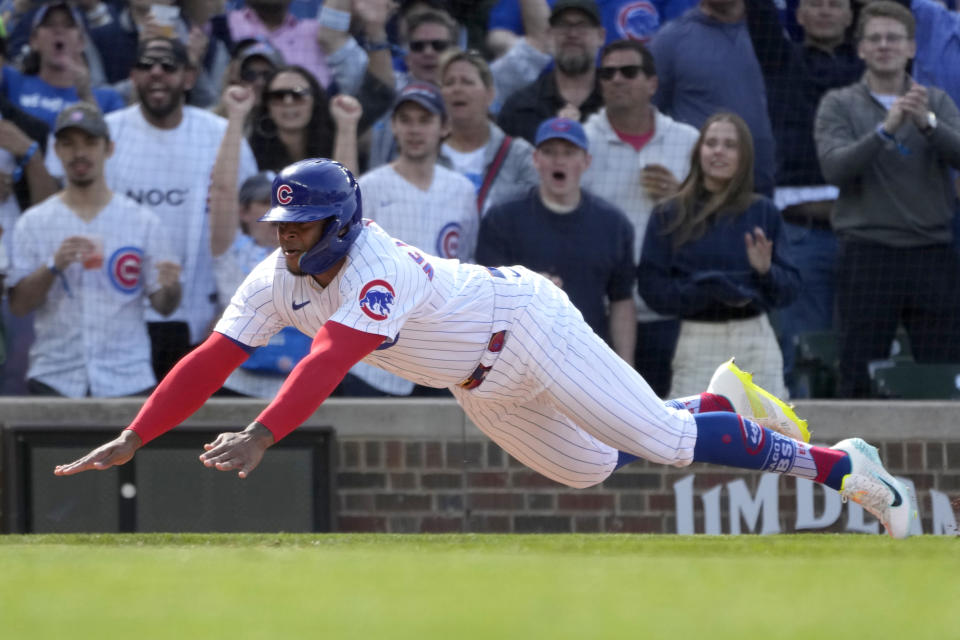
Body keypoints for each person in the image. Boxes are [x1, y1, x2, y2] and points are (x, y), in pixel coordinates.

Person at [52, 157, 917, 540]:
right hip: (477, 383)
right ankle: (719, 403)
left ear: (343, 221)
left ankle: (842, 466)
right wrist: (137, 436)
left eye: (304, 222)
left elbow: (326, 361)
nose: (289, 237)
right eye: (283, 223)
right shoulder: (274, 275)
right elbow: (211, 359)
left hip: (526, 326)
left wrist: (263, 435)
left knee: (669, 446)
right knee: (589, 469)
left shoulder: (373, 266)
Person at [46, 36, 259, 382]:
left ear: (189, 77)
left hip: (200, 313)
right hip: (117, 319)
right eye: (146, 65)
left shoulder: (220, 134)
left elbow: (243, 226)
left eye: (168, 65)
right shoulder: (108, 134)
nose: (156, 73)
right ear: (132, 76)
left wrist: (227, 305)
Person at [814, 1, 960, 398]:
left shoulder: (937, 102)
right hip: (868, 253)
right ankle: (853, 461)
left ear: (911, 47)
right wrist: (885, 130)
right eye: (874, 38)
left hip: (931, 252)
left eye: (893, 38)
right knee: (858, 372)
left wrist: (927, 124)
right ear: (860, 48)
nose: (883, 46)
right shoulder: (838, 104)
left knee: (941, 375)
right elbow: (835, 168)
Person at [6, 102, 181, 397]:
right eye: (68, 144)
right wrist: (54, 265)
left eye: (90, 142)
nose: (79, 153)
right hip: (55, 375)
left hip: (126, 376)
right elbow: (19, 305)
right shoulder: (34, 222)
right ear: (57, 151)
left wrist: (172, 286)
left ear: (109, 148)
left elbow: (165, 306)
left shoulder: (142, 221)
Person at [745, 0, 862, 397]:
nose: (826, 11)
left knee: (861, 350)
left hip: (867, 235)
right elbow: (757, 15)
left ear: (852, 14)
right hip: (800, 235)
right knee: (802, 348)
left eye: (836, 4)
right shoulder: (779, 60)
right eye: (815, 3)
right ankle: (804, 452)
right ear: (796, 14)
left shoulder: (871, 68)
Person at [638, 113, 800, 398]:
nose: (718, 151)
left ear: (744, 156)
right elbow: (652, 289)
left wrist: (766, 272)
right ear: (699, 150)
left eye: (729, 145)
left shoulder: (764, 212)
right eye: (711, 143)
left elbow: (790, 290)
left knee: (771, 436)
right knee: (694, 439)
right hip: (697, 338)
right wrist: (706, 290)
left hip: (755, 340)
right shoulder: (669, 214)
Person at [581, 39, 699, 396]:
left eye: (629, 71)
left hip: (669, 308)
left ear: (652, 83)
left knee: (672, 422)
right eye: (607, 73)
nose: (617, 79)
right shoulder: (582, 142)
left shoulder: (688, 140)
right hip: (601, 309)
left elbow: (712, 222)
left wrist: (682, 197)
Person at [348, 81, 477, 396]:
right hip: (375, 354)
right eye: (406, 120)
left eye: (425, 120)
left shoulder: (462, 190)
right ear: (393, 126)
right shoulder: (371, 186)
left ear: (444, 127)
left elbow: (467, 264)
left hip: (439, 351)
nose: (415, 129)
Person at [477, 117, 636, 363]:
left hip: (587, 358)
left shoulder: (613, 224)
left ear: (586, 162)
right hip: (517, 359)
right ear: (536, 159)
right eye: (549, 152)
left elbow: (621, 300)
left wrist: (627, 368)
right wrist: (527, 287)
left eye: (569, 152)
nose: (559, 160)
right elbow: (487, 293)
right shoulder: (503, 218)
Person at [649, 0, 776, 196]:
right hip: (699, 192)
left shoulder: (770, 36)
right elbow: (648, 114)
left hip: (762, 187)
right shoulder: (670, 40)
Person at [438, 48, 537, 215]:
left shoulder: (519, 156)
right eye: (449, 83)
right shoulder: (426, 155)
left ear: (490, 95)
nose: (457, 89)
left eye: (467, 82)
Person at [496, 0, 606, 144]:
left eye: (582, 25)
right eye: (563, 25)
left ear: (601, 36)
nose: (572, 34)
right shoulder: (519, 108)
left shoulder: (618, 104)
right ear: (549, 35)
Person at [1, 1, 125, 129]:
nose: (58, 30)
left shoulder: (107, 98)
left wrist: (87, 97)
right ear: (34, 41)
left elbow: (115, 143)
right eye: (49, 24)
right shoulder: (11, 81)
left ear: (81, 42)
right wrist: (20, 6)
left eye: (68, 25)